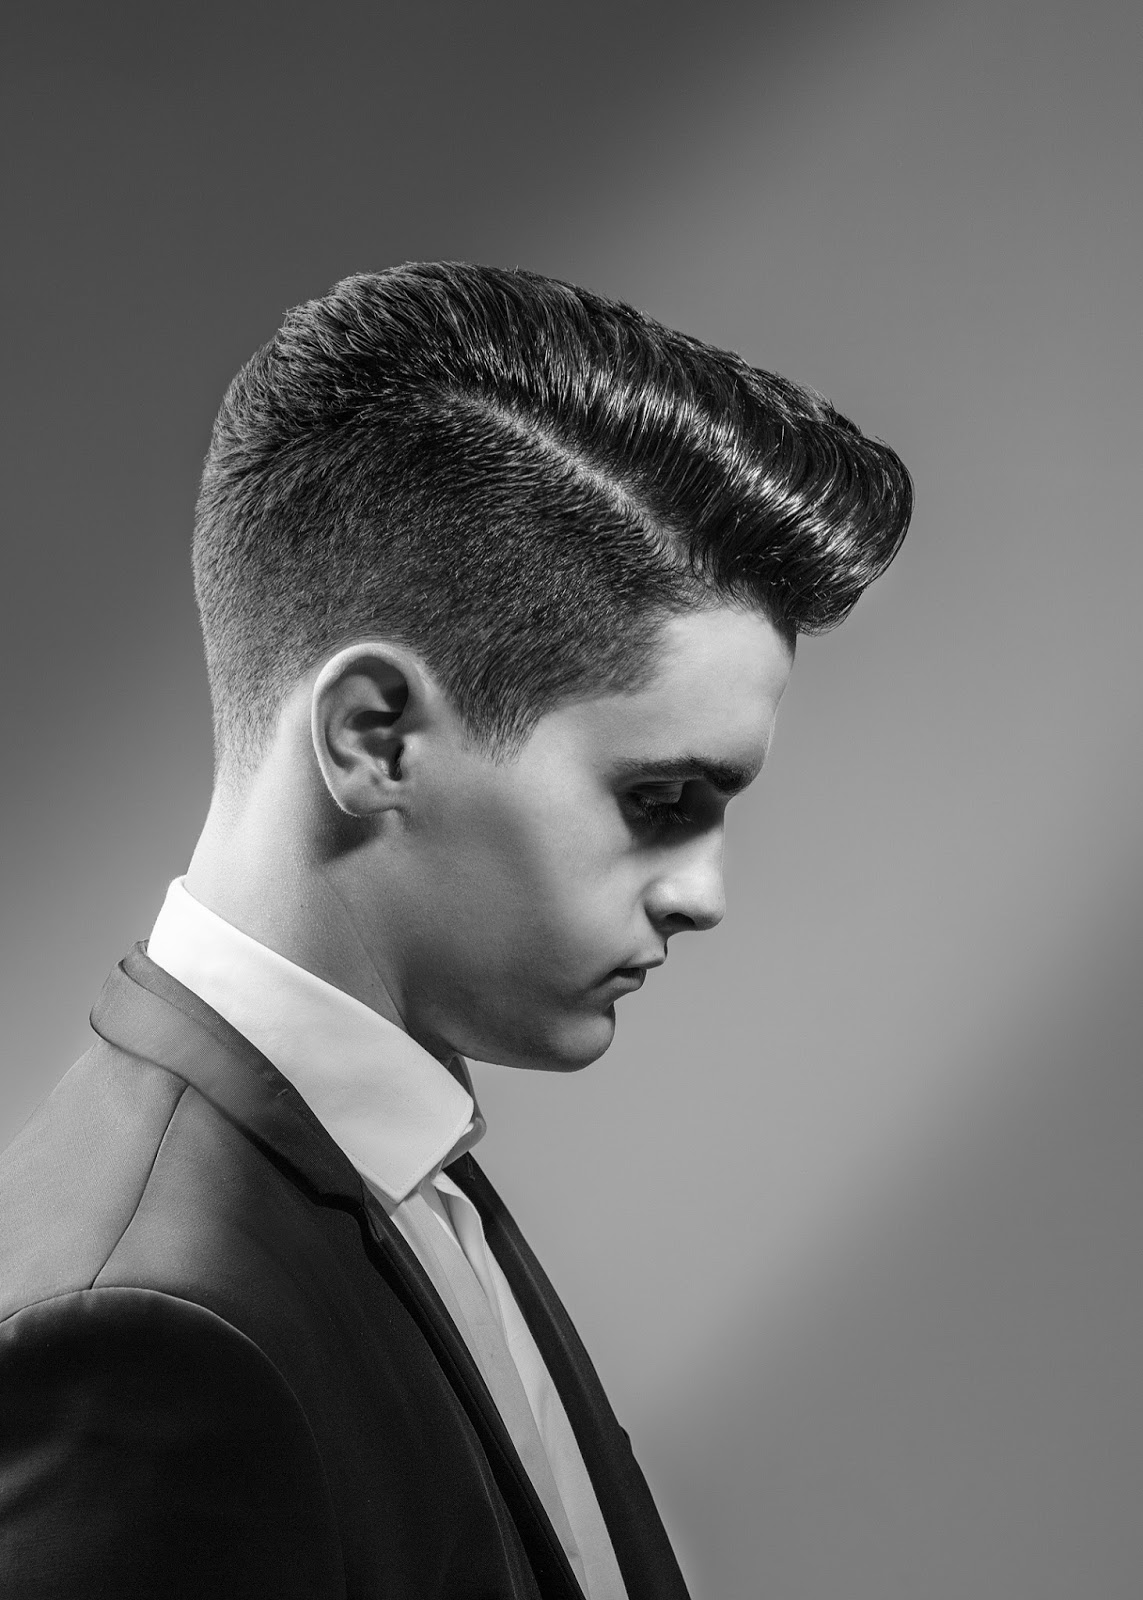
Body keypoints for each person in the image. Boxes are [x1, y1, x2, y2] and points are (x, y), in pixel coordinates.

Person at [0, 263, 912, 1598]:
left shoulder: (388, 1159)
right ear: (375, 736)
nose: (702, 893)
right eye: (658, 800)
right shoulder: (150, 1329)